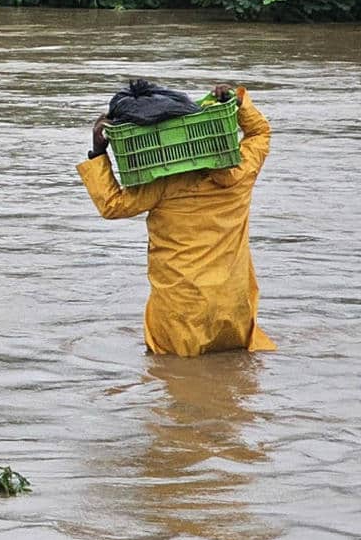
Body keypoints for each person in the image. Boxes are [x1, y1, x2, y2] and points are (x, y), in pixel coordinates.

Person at [79, 83, 275, 356]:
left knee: (173, 382)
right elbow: (260, 132)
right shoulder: (240, 173)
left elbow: (112, 205)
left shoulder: (160, 185)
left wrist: (98, 152)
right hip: (233, 307)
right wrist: (239, 104)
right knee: (234, 383)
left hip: (179, 312)